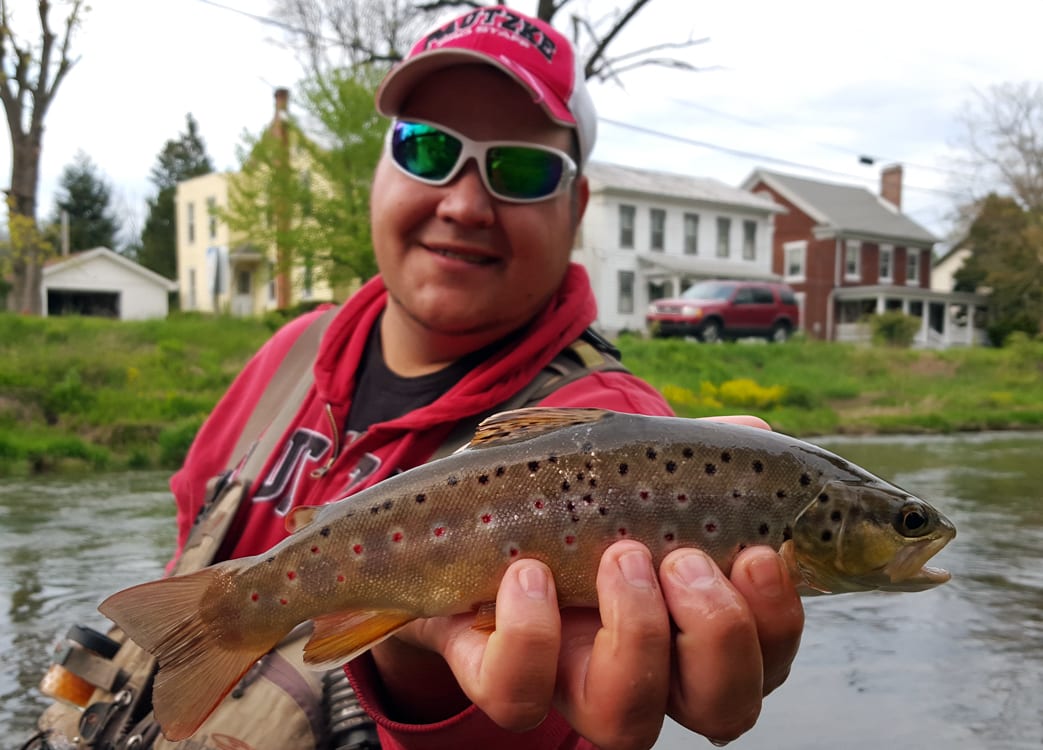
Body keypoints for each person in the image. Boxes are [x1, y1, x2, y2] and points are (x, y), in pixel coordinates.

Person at [171, 5, 805, 748]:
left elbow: (565, 697)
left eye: (522, 169)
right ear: (379, 171)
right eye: (426, 148)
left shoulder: (614, 439)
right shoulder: (287, 357)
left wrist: (417, 658)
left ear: (576, 209)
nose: (465, 203)